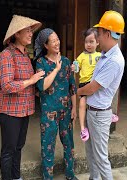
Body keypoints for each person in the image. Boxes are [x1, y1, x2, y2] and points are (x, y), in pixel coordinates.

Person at [77, 10, 125, 180]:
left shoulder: (114, 60)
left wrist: (78, 91)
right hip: (93, 111)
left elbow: (92, 88)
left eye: (98, 34)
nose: (97, 39)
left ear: (106, 32)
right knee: (91, 153)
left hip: (99, 114)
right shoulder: (105, 55)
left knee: (101, 157)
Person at [0, 15, 45, 180]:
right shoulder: (7, 54)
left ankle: (16, 177)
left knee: (18, 147)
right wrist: (31, 80)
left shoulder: (25, 55)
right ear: (17, 33)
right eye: (28, 30)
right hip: (10, 112)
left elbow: (26, 84)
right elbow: (7, 85)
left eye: (32, 31)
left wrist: (36, 84)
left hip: (24, 110)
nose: (31, 34)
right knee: (8, 151)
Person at [34, 28, 77, 180]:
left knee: (69, 143)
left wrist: (74, 109)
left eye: (57, 39)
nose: (57, 42)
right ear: (46, 45)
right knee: (48, 145)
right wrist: (56, 69)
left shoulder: (66, 62)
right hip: (49, 112)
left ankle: (70, 174)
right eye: (53, 41)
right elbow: (42, 86)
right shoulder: (41, 63)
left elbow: (72, 87)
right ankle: (48, 177)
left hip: (66, 110)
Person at [73, 28, 101, 142]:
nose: (88, 44)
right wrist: (74, 67)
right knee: (82, 104)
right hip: (84, 84)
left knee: (101, 99)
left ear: (98, 42)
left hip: (95, 82)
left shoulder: (100, 55)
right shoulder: (81, 56)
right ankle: (83, 128)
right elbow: (76, 68)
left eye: (91, 41)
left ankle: (108, 115)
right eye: (86, 42)